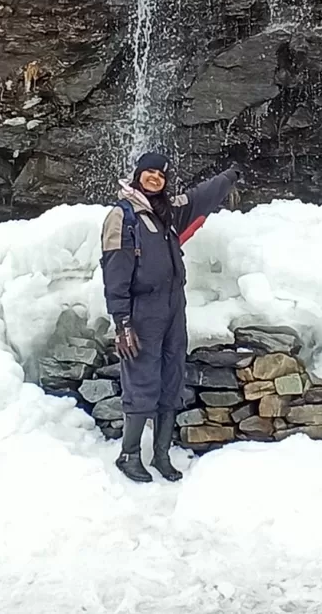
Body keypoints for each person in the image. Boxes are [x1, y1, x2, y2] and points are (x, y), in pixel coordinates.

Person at [100, 152, 242, 483]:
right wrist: (121, 321)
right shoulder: (123, 217)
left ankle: (162, 454)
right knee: (141, 378)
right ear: (137, 175)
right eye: (149, 172)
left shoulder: (166, 212)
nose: (154, 178)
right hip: (142, 311)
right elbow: (115, 273)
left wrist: (230, 176)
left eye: (161, 175)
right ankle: (129, 455)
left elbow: (199, 196)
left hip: (173, 307)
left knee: (171, 376)